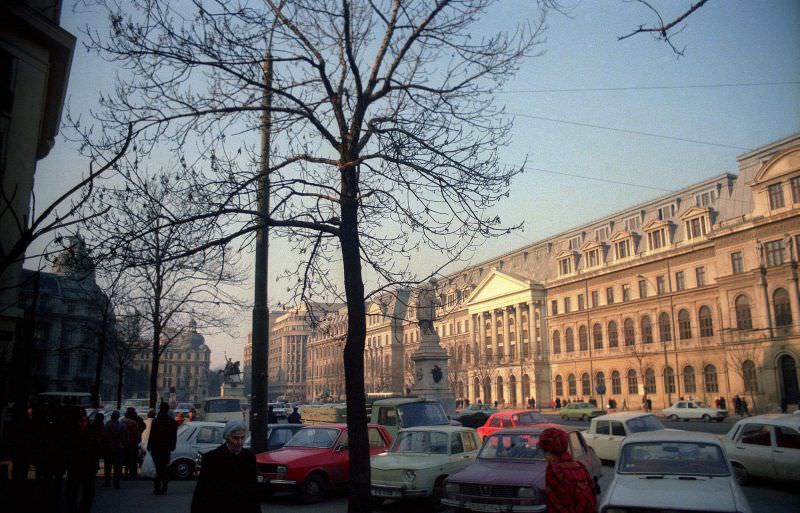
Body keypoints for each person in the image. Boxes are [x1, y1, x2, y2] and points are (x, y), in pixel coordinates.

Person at [190, 420, 260, 513]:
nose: (239, 442)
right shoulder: (212, 458)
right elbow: (202, 490)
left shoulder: (249, 457)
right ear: (227, 438)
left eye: (242, 438)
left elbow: (252, 489)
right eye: (235, 438)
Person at [536, 428, 597, 513]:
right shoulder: (579, 466)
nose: (544, 457)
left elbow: (557, 504)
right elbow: (592, 494)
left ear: (549, 451)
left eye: (543, 451)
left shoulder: (554, 469)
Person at [148, 402, 178, 495]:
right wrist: (173, 446)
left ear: (160, 409)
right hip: (166, 448)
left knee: (158, 467)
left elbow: (152, 435)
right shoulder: (172, 421)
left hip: (156, 448)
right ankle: (164, 484)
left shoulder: (156, 421)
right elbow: (174, 436)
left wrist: (149, 445)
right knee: (164, 466)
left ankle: (157, 487)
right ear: (167, 409)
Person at [102, 410, 127, 489]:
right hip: (119, 447)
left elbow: (104, 437)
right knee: (117, 466)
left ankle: (107, 482)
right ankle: (116, 482)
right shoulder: (122, 426)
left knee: (108, 466)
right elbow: (125, 437)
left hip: (108, 447)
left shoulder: (106, 426)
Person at [121, 408, 141, 479]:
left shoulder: (122, 421)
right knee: (133, 459)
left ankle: (123, 473)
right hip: (133, 443)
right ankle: (132, 473)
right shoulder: (135, 422)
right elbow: (137, 434)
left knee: (124, 458)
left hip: (124, 443)